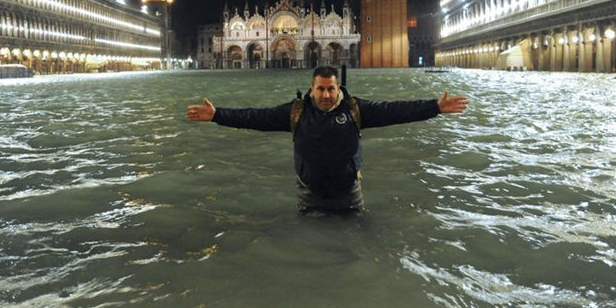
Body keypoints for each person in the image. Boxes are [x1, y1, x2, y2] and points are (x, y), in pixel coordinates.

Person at [185, 65, 469, 214]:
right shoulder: (296, 111)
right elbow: (255, 117)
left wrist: (435, 107)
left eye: (330, 89)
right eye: (320, 89)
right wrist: (218, 114)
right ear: (312, 89)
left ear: (338, 88)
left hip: (350, 196)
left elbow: (395, 110)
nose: (325, 95)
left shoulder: (357, 109)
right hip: (310, 196)